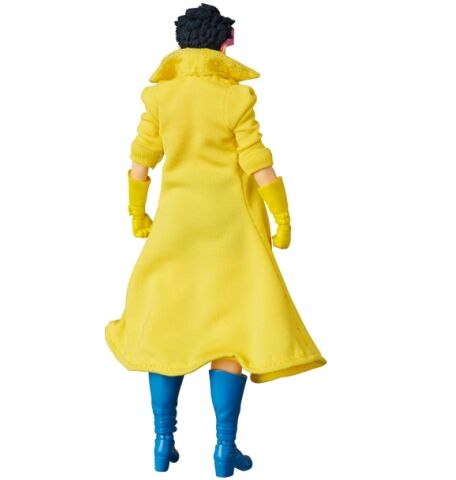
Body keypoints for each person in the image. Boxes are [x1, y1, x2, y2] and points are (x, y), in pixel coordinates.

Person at [105, 3, 327, 477]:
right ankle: (225, 449)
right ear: (226, 43)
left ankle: (162, 441)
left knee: (166, 330)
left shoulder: (159, 98)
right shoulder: (234, 97)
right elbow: (258, 162)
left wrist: (137, 214)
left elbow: (141, 162)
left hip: (175, 228)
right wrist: (283, 217)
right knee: (231, 330)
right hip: (231, 233)